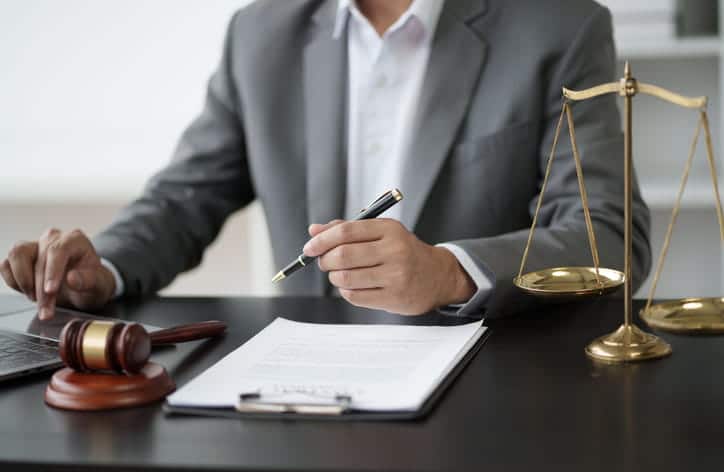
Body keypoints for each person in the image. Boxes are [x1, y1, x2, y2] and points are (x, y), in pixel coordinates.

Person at [1, 0, 651, 321]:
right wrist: (104, 267)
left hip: (489, 392)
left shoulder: (560, 27)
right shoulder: (260, 33)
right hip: (299, 397)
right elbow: (181, 199)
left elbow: (611, 237)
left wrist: (449, 271)